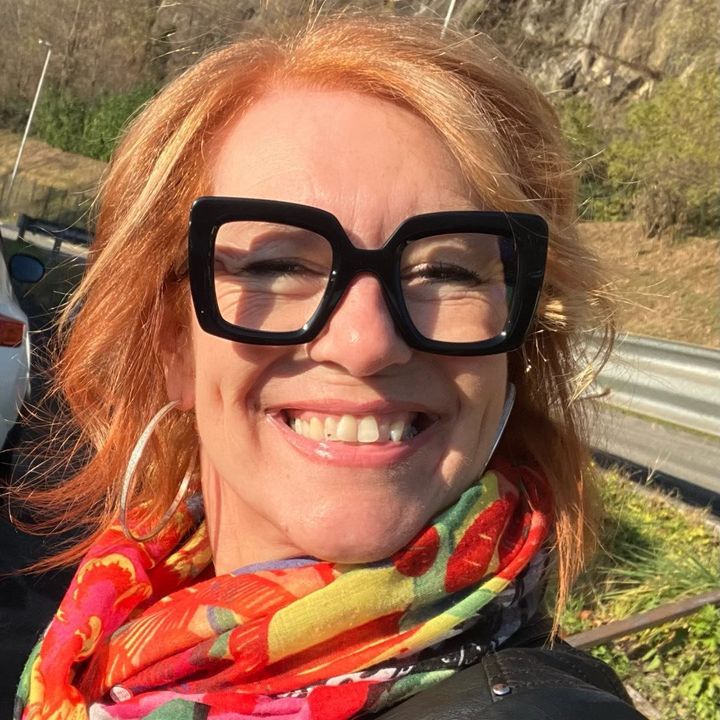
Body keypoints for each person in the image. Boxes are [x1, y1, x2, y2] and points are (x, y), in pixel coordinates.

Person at [13, 12, 646, 720]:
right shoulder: (105, 629)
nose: (365, 342)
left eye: (446, 271)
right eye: (279, 265)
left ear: (515, 352)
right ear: (173, 344)